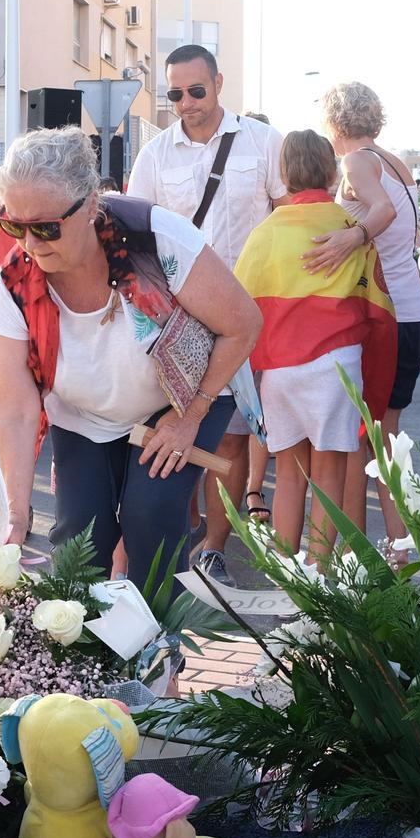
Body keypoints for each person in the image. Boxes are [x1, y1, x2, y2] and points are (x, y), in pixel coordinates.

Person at [0, 129, 261, 575]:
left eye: (45, 227)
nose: (30, 245)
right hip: (83, 414)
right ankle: (87, 640)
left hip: (184, 397)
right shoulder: (14, 283)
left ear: (91, 206)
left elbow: (243, 325)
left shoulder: (155, 238)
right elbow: (16, 410)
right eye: (13, 225)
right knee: (81, 535)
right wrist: (16, 515)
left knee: (149, 516)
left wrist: (190, 415)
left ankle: (158, 639)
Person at [127, 42, 287, 572]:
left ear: (219, 83)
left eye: (196, 90)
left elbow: (290, 217)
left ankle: (215, 546)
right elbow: (136, 234)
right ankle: (181, 538)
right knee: (175, 432)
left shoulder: (263, 143)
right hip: (179, 325)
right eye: (175, 94)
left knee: (232, 441)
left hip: (245, 320)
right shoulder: (154, 154)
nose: (186, 102)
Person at [247, 129, 398, 560]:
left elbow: (242, 304)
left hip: (279, 368)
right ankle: (318, 569)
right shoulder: (348, 228)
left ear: (283, 173)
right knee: (328, 473)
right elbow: (379, 312)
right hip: (336, 365)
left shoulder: (266, 232)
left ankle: (286, 573)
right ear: (331, 171)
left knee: (290, 475)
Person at [303, 82, 420, 544]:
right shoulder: (393, 162)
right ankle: (395, 543)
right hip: (410, 310)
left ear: (333, 123)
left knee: (370, 436)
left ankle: (382, 549)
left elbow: (381, 212)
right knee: (383, 433)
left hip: (384, 314)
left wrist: (351, 238)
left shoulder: (357, 161)